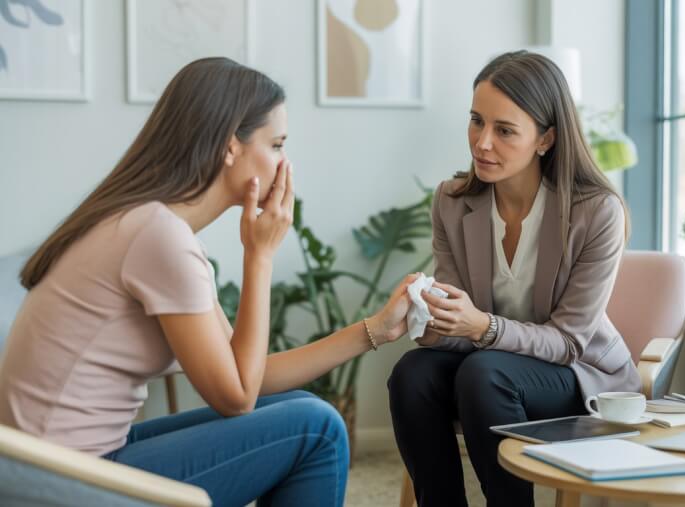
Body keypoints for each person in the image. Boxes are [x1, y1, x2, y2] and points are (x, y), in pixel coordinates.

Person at [0, 57, 414, 507]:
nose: (284, 162)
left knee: (296, 409)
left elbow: (248, 378)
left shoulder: (149, 224)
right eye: (276, 144)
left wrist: (375, 329)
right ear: (229, 145)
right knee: (317, 428)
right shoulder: (158, 236)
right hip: (54, 483)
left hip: (44, 465)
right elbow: (235, 398)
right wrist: (259, 257)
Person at [387, 50, 642, 507]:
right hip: (485, 365)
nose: (482, 143)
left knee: (485, 374)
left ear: (545, 139)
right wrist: (426, 321)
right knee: (412, 373)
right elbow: (459, 330)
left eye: (504, 130)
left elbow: (568, 342)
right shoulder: (451, 201)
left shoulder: (596, 211)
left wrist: (482, 327)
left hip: (577, 375)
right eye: (476, 121)